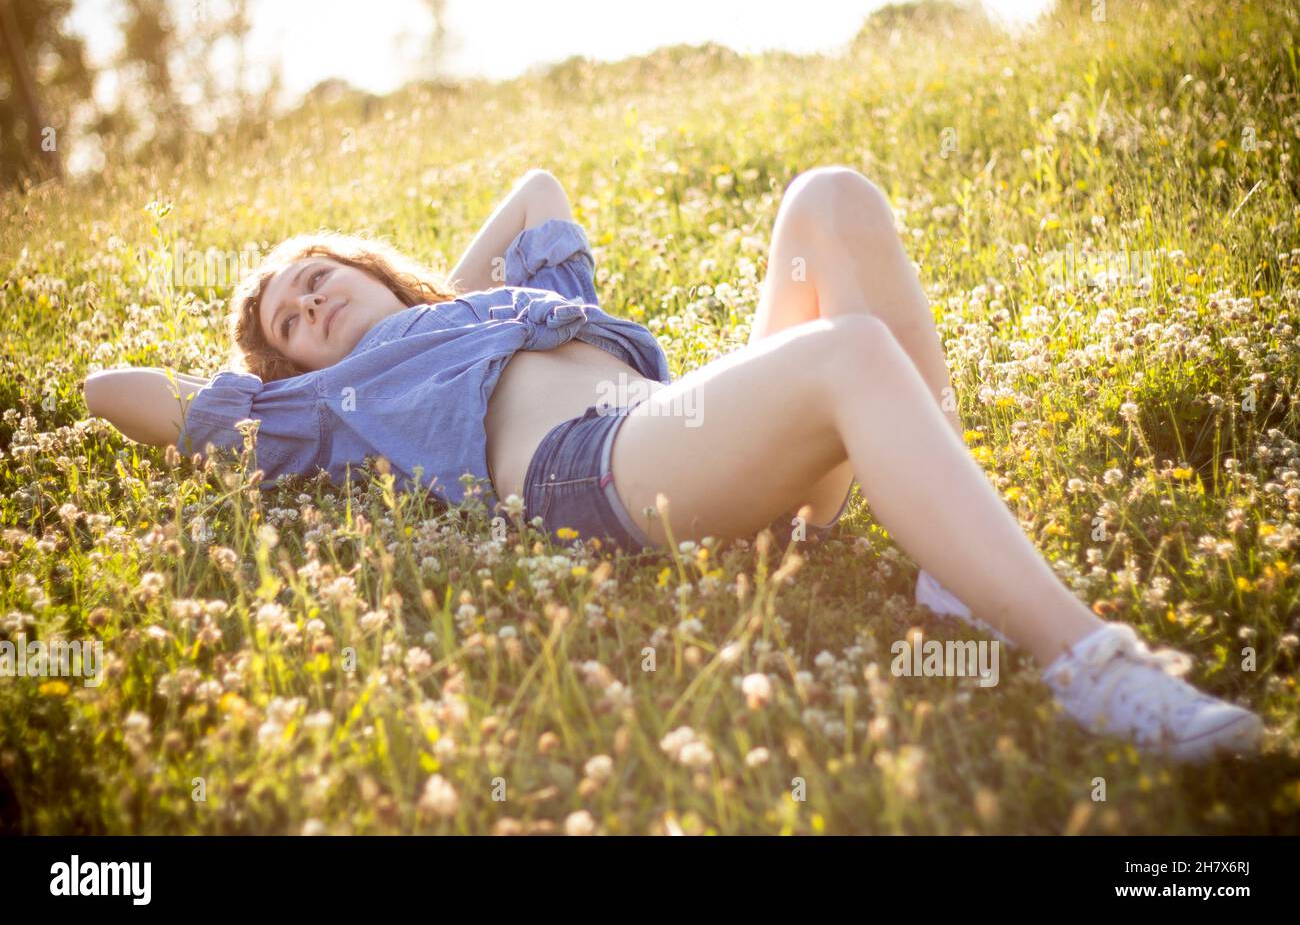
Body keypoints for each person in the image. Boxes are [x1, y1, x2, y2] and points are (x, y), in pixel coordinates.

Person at [83, 166, 1264, 764]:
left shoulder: (507, 302)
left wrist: (431, 296)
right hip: (594, 471)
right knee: (846, 353)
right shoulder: (331, 403)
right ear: (287, 368)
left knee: (830, 198)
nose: (301, 299)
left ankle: (954, 574)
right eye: (286, 316)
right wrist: (298, 364)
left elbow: (539, 186)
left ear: (372, 266)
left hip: (699, 439)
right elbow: (127, 399)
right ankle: (1086, 661)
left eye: (314, 273)